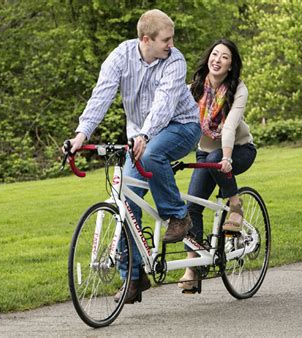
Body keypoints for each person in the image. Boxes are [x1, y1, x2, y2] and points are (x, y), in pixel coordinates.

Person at [63, 9, 200, 303]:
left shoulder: (175, 61)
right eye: (166, 39)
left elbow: (164, 105)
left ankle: (178, 216)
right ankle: (133, 277)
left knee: (150, 155)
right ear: (146, 39)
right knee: (126, 201)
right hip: (142, 136)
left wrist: (144, 135)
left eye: (172, 39)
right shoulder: (120, 57)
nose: (171, 45)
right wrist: (80, 135)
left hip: (182, 127)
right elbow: (101, 96)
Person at [177, 39, 257, 291]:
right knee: (193, 207)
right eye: (214, 54)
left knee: (214, 161)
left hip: (239, 150)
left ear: (231, 66)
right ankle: (193, 269)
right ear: (208, 58)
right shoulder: (193, 89)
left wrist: (226, 157)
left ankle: (235, 204)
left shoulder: (238, 89)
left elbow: (231, 125)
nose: (217, 59)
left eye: (224, 57)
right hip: (207, 154)